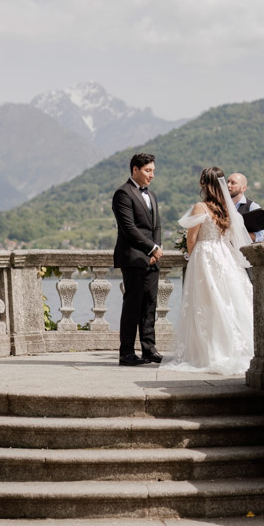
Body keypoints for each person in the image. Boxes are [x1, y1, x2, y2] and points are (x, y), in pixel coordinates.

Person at [168, 166, 253, 376]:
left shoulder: (200, 207)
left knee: (205, 303)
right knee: (226, 301)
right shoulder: (227, 208)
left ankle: (208, 352)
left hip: (205, 256)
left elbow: (191, 239)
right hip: (224, 256)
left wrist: (192, 257)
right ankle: (229, 349)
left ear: (203, 184)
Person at [112, 152, 163, 366]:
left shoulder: (152, 195)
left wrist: (156, 249)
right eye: (147, 170)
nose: (151, 175)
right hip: (133, 258)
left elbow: (156, 226)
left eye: (153, 171)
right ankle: (126, 353)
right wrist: (151, 248)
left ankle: (149, 350)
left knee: (150, 304)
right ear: (135, 169)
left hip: (152, 258)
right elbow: (129, 228)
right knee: (132, 305)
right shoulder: (123, 193)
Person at [227, 172, 264, 242]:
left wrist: (234, 234)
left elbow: (259, 237)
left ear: (243, 188)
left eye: (233, 183)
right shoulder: (221, 206)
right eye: (228, 182)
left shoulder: (253, 207)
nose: (228, 185)